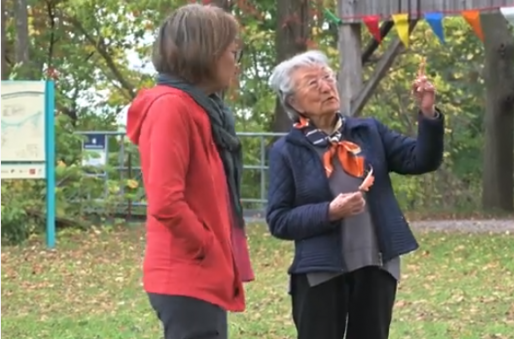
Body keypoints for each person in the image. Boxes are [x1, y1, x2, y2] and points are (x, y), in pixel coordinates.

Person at [265, 50, 444, 339]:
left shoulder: (368, 131)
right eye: (313, 83)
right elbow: (278, 219)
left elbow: (421, 160)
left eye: (328, 77)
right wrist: (329, 212)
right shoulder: (286, 151)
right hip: (320, 271)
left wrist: (428, 114)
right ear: (293, 102)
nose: (326, 86)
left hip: (375, 266)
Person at [125, 4, 253, 339]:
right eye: (232, 51)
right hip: (186, 275)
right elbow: (166, 201)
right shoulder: (170, 107)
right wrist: (208, 246)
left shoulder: (203, 110)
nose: (235, 63)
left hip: (203, 274)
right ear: (206, 53)